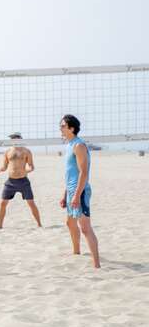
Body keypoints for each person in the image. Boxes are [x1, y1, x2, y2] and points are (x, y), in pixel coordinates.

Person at [59, 115, 100, 268]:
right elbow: (71, 173)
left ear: (72, 128)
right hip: (71, 191)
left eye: (63, 126)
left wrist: (76, 195)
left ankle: (97, 265)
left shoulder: (79, 146)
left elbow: (83, 173)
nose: (60, 128)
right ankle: (76, 252)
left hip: (80, 192)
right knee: (70, 223)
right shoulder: (69, 145)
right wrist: (65, 195)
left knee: (85, 228)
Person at [0, 132, 42, 229]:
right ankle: (0, 226)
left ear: (20, 139)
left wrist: (29, 169)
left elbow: (31, 166)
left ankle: (39, 224)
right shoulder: (7, 152)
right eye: (11, 138)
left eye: (14, 138)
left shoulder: (26, 151)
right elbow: (4, 167)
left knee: (31, 203)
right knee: (3, 203)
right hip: (10, 182)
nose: (12, 140)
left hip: (23, 181)